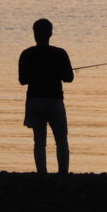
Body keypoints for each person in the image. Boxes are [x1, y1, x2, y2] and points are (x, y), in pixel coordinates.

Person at [18, 18, 74, 174]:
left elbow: (22, 80)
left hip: (35, 101)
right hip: (55, 100)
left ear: (34, 33)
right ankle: (63, 174)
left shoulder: (26, 54)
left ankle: (41, 173)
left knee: (39, 142)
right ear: (50, 33)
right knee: (61, 141)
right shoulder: (60, 53)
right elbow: (69, 78)